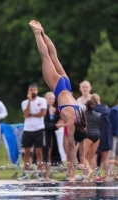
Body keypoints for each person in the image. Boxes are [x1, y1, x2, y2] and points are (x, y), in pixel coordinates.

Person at [29, 20, 87, 170]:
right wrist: (76, 164)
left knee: (54, 56)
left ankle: (42, 32)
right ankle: (37, 33)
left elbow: (79, 139)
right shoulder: (72, 121)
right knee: (45, 57)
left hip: (66, 84)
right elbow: (72, 145)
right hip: (58, 87)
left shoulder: (81, 118)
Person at [18, 83, 47, 181]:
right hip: (28, 129)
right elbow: (26, 114)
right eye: (31, 90)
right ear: (28, 91)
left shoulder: (42, 100)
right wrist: (29, 101)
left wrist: (31, 114)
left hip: (39, 129)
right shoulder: (24, 102)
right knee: (26, 152)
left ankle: (39, 174)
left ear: (37, 91)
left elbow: (43, 113)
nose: (33, 91)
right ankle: (26, 173)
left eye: (34, 89)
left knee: (39, 152)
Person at [91, 93, 113, 181]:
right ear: (99, 100)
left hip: (95, 134)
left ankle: (94, 176)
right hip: (106, 135)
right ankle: (107, 176)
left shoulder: (91, 109)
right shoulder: (107, 109)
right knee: (105, 157)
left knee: (94, 156)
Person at [44, 92, 65, 181]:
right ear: (46, 99)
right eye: (49, 98)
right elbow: (44, 124)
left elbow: (57, 123)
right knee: (44, 155)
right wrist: (55, 126)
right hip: (44, 133)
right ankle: (42, 174)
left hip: (51, 134)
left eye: (52, 99)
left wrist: (59, 123)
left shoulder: (55, 110)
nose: (51, 100)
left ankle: (47, 175)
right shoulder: (43, 110)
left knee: (50, 154)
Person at [85, 100, 100, 171]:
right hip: (97, 135)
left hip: (88, 135)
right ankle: (93, 175)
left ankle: (89, 170)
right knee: (92, 157)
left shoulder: (84, 114)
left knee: (83, 157)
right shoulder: (97, 115)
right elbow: (98, 125)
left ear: (85, 106)